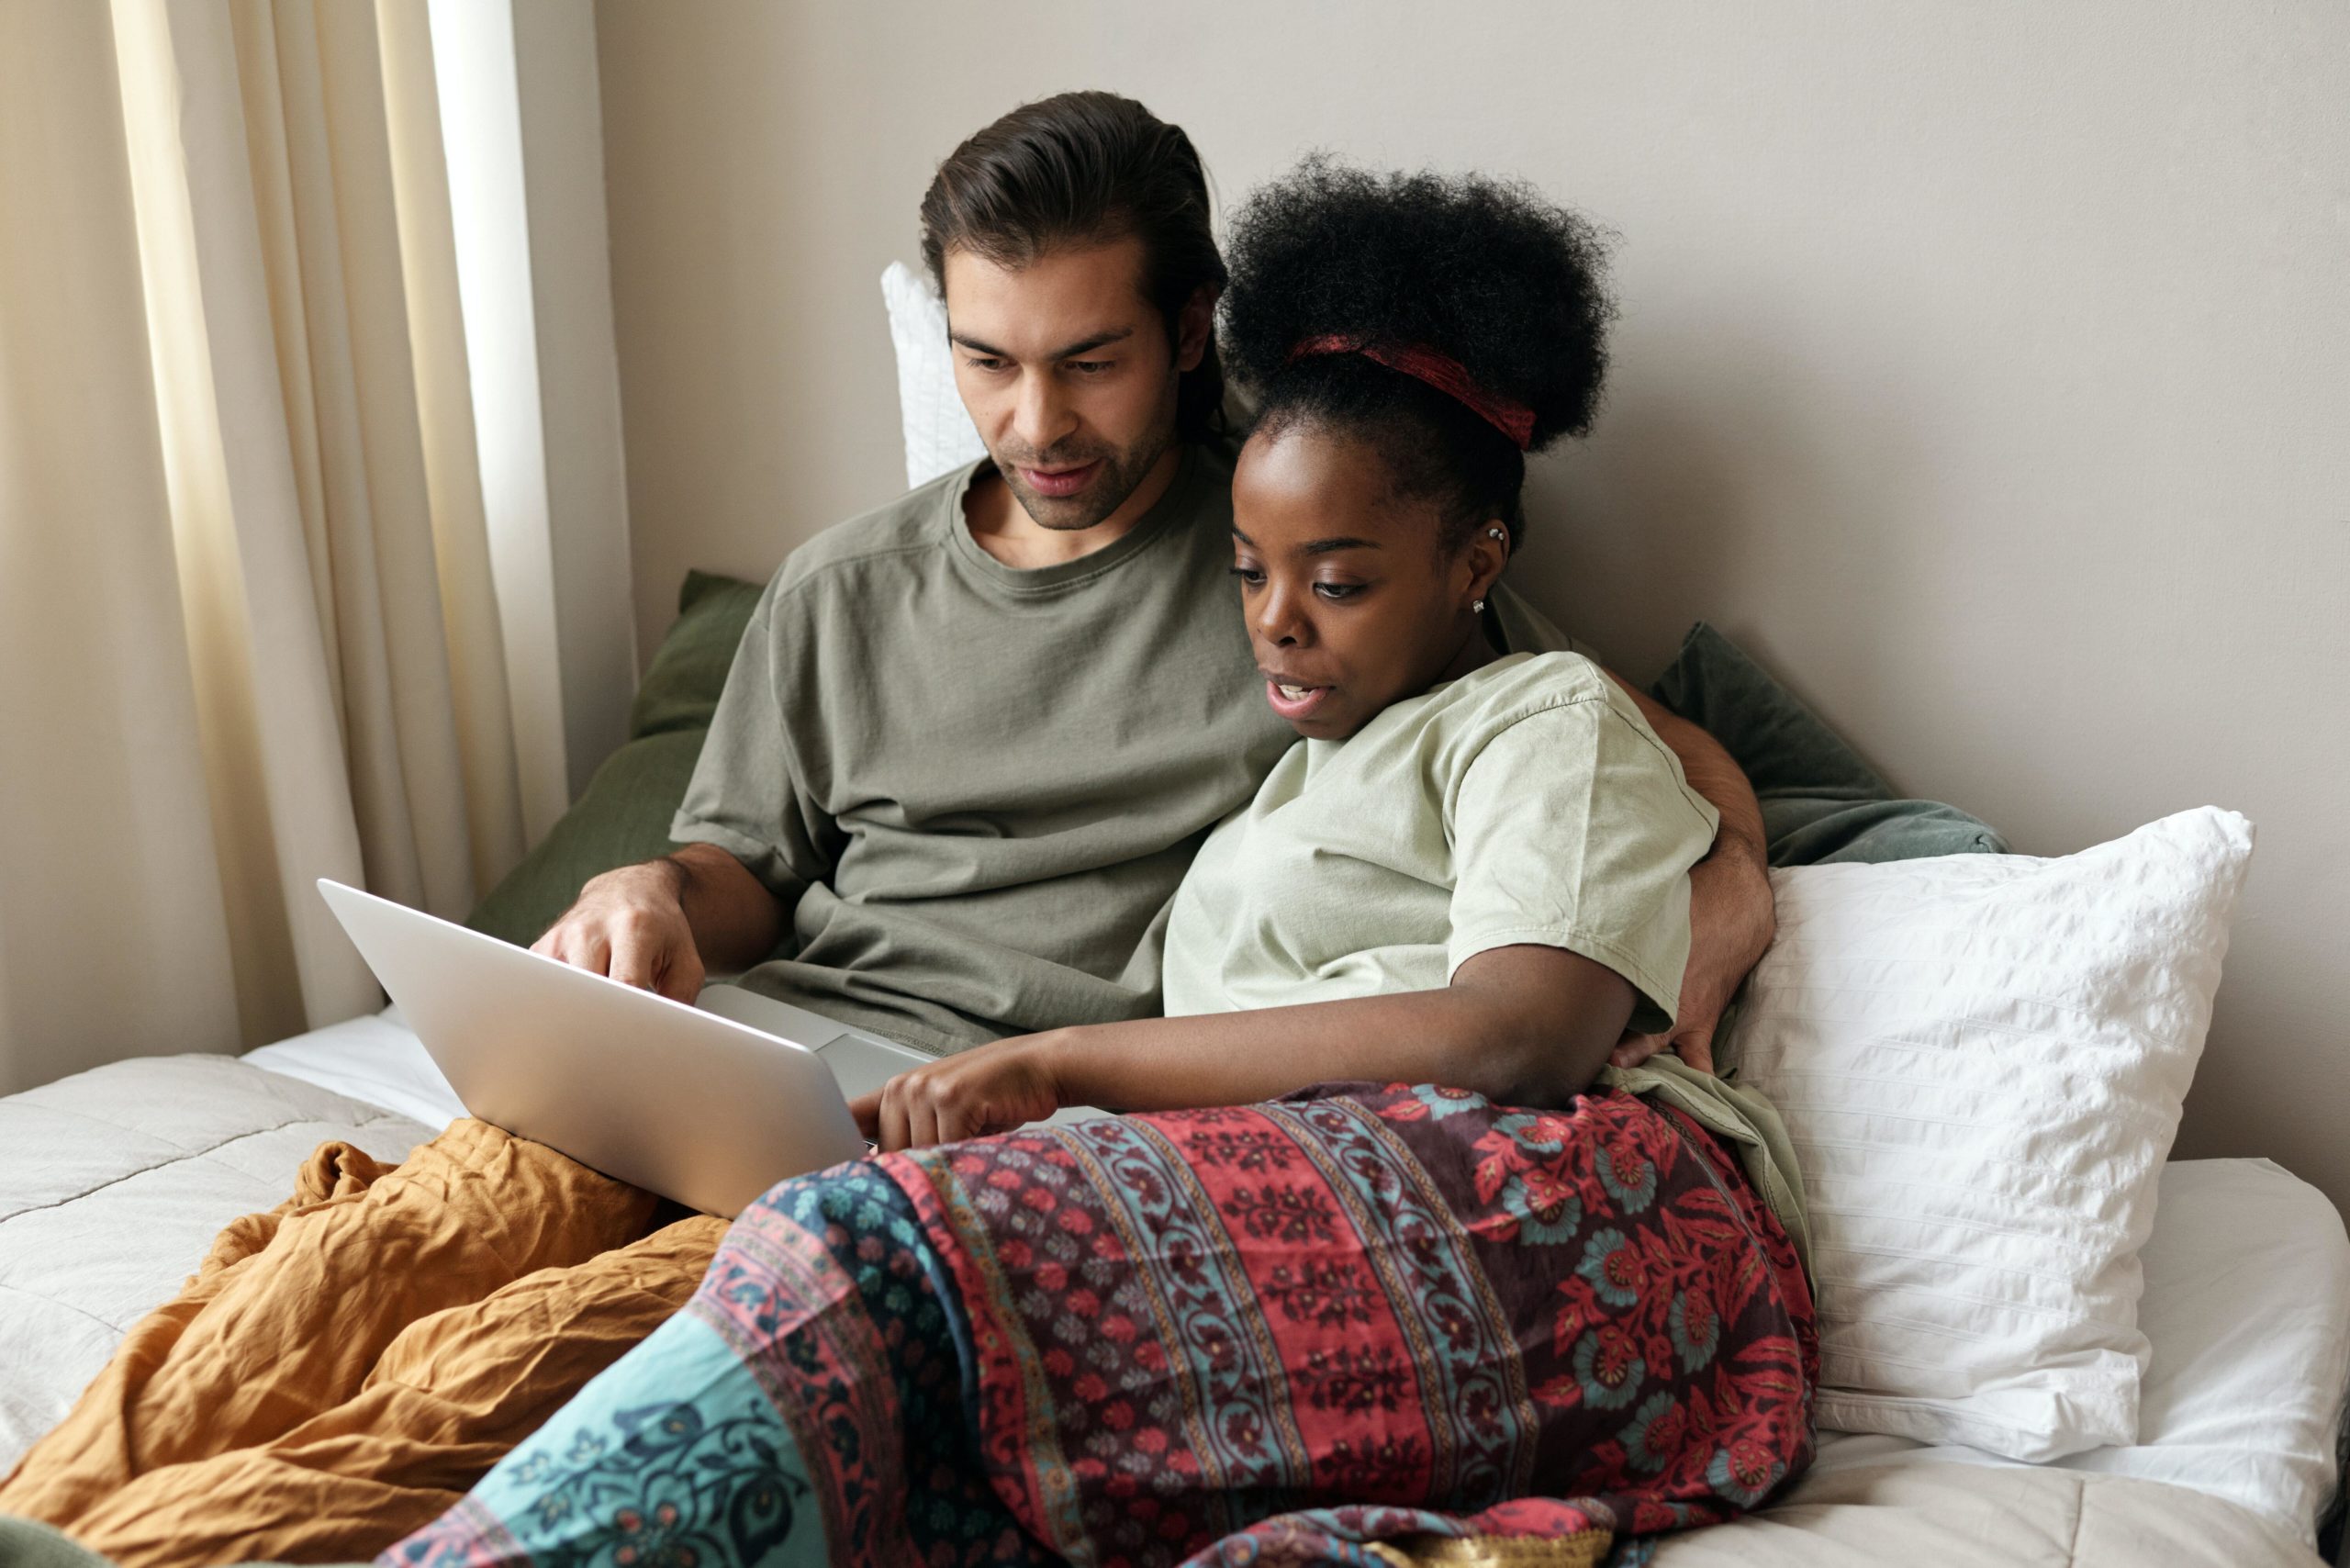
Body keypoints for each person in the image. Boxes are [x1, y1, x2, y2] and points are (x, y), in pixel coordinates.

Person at [385, 157, 1815, 1568]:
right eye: (1251, 573)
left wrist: (1734, 866)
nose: (1275, 622)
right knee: (887, 1402)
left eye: (1338, 580)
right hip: (1259, 1162)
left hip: (1558, 1195)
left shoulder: (1515, 694)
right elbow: (735, 867)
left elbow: (1531, 1010)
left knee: (856, 1254)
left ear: (1474, 563)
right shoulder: (1286, 772)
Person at [533, 90, 1776, 1078]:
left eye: (1089, 362)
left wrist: (1730, 884)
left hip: (1031, 1107)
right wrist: (646, 891)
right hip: (774, 1049)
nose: (1035, 424)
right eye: (987, 361)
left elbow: (1614, 732)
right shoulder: (837, 592)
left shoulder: (1314, 560)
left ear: (1187, 334)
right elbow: (738, 874)